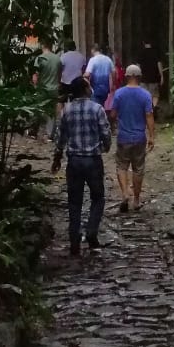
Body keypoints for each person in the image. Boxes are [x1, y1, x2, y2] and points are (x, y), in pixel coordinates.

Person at [52, 78, 111, 255]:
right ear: (86, 89)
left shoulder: (66, 111)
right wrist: (104, 147)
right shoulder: (97, 109)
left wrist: (57, 158)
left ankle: (74, 238)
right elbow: (105, 133)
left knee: (74, 201)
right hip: (93, 159)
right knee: (98, 197)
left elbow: (60, 137)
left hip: (74, 161)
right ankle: (92, 231)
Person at [109, 63, 155, 212]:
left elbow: (113, 114)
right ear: (139, 77)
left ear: (127, 77)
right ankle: (136, 200)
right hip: (139, 137)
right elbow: (149, 116)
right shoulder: (146, 95)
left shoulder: (119, 94)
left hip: (123, 136)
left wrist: (116, 120)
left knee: (122, 166)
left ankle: (124, 194)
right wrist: (152, 136)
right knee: (138, 169)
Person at [33, 38, 62, 140]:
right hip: (54, 88)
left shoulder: (39, 58)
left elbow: (36, 75)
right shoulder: (57, 59)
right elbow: (59, 75)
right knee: (52, 112)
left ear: (42, 46)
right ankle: (50, 134)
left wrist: (35, 86)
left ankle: (34, 131)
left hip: (42, 89)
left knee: (37, 109)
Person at [85, 41, 114, 107]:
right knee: (101, 106)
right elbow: (113, 72)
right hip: (105, 89)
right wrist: (113, 84)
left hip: (95, 89)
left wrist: (82, 76)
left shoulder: (92, 60)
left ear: (93, 50)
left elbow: (87, 74)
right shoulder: (108, 59)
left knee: (96, 107)